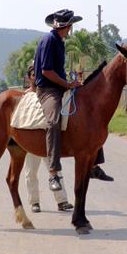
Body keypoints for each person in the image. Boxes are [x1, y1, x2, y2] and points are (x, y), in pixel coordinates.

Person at [34, 9, 113, 192]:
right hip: (48, 90)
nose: (71, 29)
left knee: (90, 116)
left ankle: (94, 165)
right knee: (53, 122)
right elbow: (46, 71)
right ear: (68, 26)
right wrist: (67, 84)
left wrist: (70, 84)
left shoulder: (60, 42)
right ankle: (53, 173)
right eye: (71, 26)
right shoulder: (49, 40)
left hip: (61, 87)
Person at [24, 65, 74, 212]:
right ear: (29, 77)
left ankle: (62, 201)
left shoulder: (48, 95)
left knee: (54, 168)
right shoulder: (26, 96)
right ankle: (34, 202)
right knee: (31, 172)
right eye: (32, 74)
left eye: (37, 74)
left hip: (47, 138)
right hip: (31, 139)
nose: (35, 76)